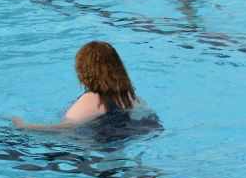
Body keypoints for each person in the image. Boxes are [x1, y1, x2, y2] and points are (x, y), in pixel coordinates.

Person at [12, 41, 156, 132]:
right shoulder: (130, 95)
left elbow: (65, 129)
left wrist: (25, 126)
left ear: (85, 71)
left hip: (99, 146)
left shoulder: (91, 99)